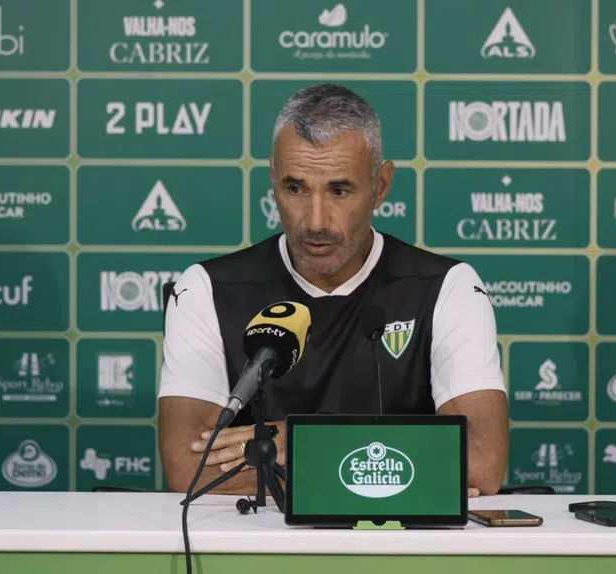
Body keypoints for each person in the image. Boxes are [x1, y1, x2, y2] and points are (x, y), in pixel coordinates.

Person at [157, 83, 508, 498]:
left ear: (380, 186)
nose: (316, 221)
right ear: (273, 178)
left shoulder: (448, 288)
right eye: (295, 188)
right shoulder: (207, 289)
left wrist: (305, 445)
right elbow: (187, 468)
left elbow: (483, 464)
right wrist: (411, 468)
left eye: (339, 190)